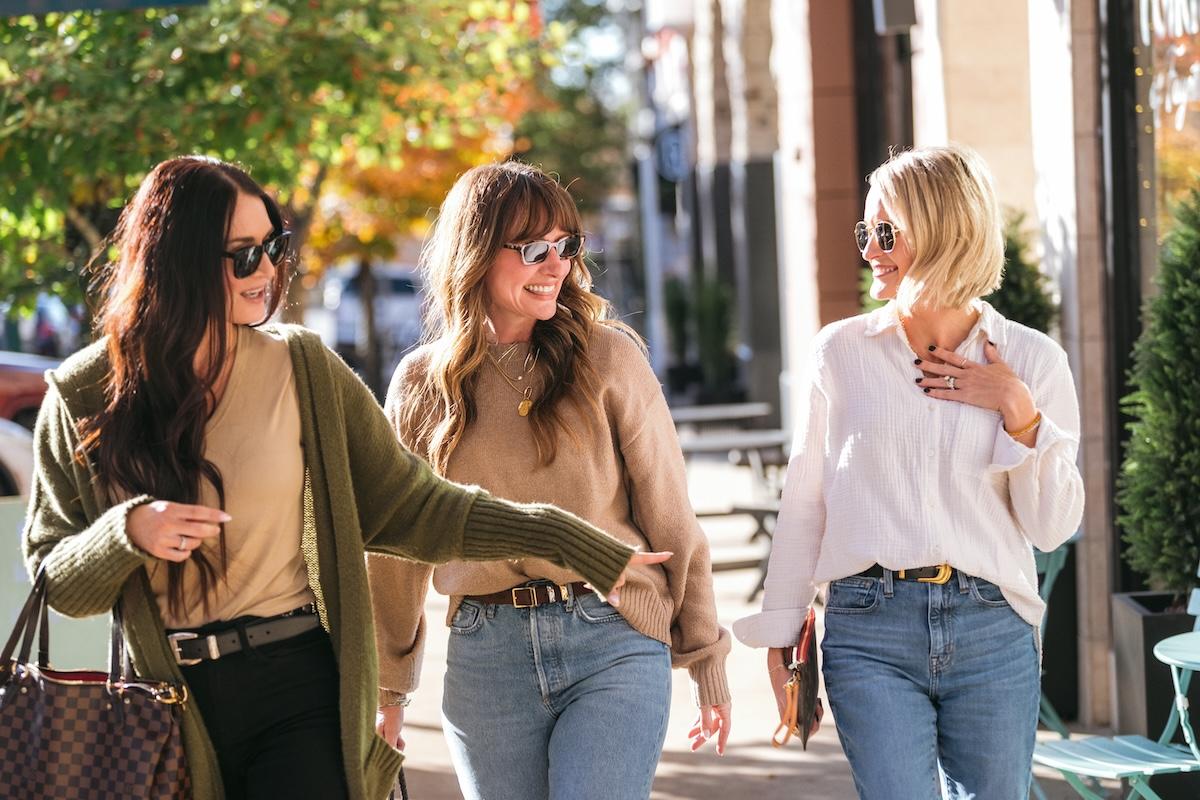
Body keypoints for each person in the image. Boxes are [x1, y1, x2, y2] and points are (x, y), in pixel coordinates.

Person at [22, 155, 661, 800]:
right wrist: (127, 532)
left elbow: (411, 507)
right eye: (242, 254)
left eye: (273, 246)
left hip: (299, 687)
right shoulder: (83, 395)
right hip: (165, 705)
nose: (267, 270)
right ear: (176, 258)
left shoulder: (302, 368)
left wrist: (566, 538)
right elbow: (57, 580)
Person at [367, 161, 732, 800]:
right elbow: (398, 546)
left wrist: (705, 656)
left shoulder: (609, 357)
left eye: (567, 246)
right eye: (535, 248)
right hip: (486, 654)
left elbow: (673, 515)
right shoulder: (424, 383)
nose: (556, 264)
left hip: (612, 634)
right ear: (477, 252)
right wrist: (386, 692)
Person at [733, 144, 1084, 799]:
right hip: (869, 626)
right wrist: (782, 627)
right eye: (865, 231)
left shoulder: (1034, 362)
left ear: (946, 232)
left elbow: (1053, 527)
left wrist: (1019, 412)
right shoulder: (840, 354)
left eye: (885, 232)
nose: (869, 248)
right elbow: (806, 499)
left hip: (991, 625)